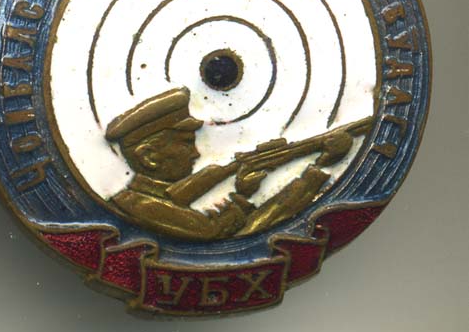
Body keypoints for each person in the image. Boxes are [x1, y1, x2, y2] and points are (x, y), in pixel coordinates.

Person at [106, 87, 366, 240]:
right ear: (149, 156)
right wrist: (242, 196)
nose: (196, 154)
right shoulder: (142, 207)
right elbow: (215, 233)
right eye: (185, 144)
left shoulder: (139, 199)